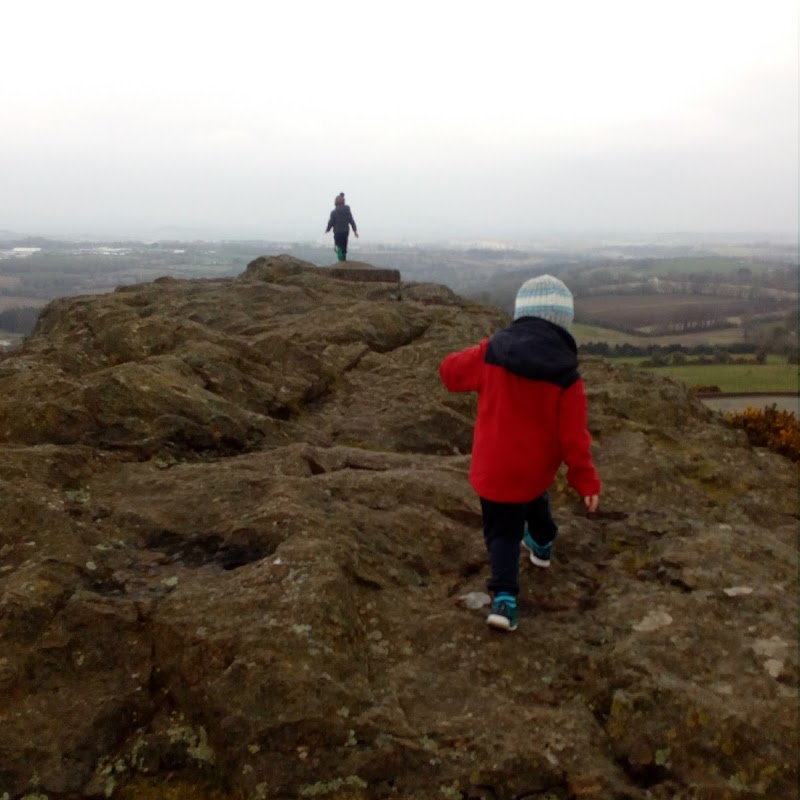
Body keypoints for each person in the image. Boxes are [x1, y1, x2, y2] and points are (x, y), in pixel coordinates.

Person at [438, 274, 601, 633]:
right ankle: (542, 543)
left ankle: (505, 599)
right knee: (532, 499)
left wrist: (480, 349)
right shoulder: (567, 375)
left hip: (493, 466)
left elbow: (450, 373)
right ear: (564, 323)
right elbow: (575, 437)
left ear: (520, 315)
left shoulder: (493, 350)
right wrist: (584, 480)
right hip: (534, 470)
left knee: (502, 533)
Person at [325, 192, 358, 261]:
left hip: (337, 231)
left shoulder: (333, 212)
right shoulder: (347, 211)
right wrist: (355, 231)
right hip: (345, 231)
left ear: (335, 203)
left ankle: (340, 258)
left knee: (338, 245)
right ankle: (344, 258)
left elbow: (331, 222)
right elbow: (351, 221)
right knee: (344, 245)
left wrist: (328, 229)